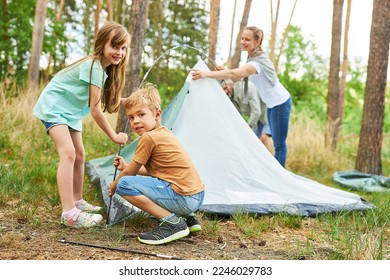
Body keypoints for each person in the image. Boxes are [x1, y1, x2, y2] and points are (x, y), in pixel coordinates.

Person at [33, 21, 130, 228]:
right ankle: (69, 213)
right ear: (102, 44)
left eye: (123, 48)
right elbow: (95, 109)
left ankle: (77, 201)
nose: (119, 52)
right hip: (55, 107)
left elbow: (96, 99)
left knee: (79, 155)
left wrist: (121, 101)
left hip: (70, 112)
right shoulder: (93, 65)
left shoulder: (102, 69)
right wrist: (114, 136)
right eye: (115, 46)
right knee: (68, 153)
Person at [109, 84, 205, 245]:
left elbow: (128, 176)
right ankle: (188, 218)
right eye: (131, 117)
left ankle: (172, 223)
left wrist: (113, 186)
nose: (136, 121)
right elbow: (158, 172)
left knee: (124, 184)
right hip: (196, 197)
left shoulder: (149, 138)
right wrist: (126, 166)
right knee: (150, 182)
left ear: (157, 115)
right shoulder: (164, 132)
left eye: (141, 114)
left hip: (184, 198)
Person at [192, 26, 292, 167]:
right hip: (271, 104)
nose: (243, 42)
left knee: (279, 144)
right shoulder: (253, 57)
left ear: (257, 42)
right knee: (273, 142)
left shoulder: (256, 62)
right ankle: (275, 173)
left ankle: (281, 180)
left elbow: (235, 75)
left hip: (280, 103)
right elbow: (238, 76)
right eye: (242, 38)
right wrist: (226, 71)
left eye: (248, 39)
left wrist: (206, 74)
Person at [222, 79, 273, 152]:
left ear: (231, 84)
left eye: (225, 88)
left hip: (268, 113)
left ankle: (270, 162)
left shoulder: (246, 88)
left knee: (264, 138)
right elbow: (237, 116)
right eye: (223, 90)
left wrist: (248, 126)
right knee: (254, 143)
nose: (225, 92)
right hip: (257, 119)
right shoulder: (232, 97)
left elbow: (256, 112)